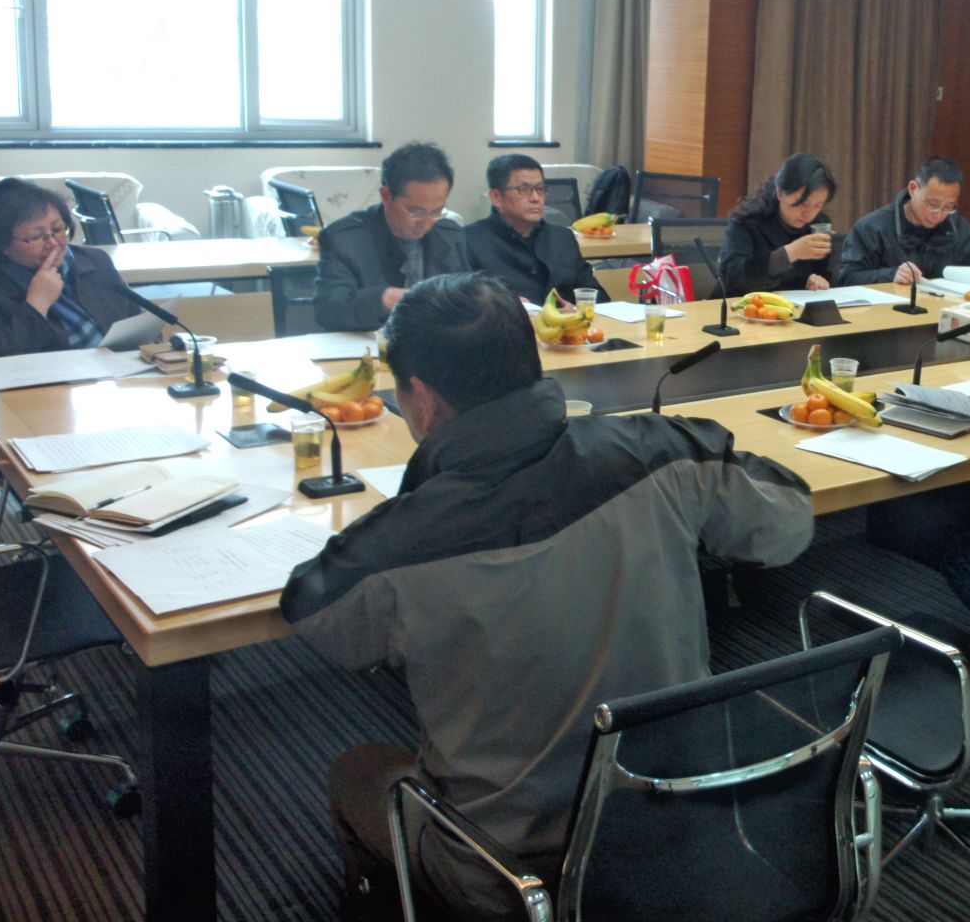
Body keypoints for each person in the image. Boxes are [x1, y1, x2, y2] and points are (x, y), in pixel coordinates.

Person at [280, 273, 813, 921]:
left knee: (359, 770)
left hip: (508, 870)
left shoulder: (398, 544)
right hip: (678, 813)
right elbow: (787, 523)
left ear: (422, 398)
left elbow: (317, 618)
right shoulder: (662, 453)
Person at [0, 177, 142, 364]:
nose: (53, 243)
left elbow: (135, 324)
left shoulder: (93, 261)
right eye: (36, 237)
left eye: (58, 230)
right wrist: (37, 304)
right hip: (47, 384)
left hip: (117, 375)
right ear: (2, 244)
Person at [314, 143, 470, 331]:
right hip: (372, 343)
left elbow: (465, 299)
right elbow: (329, 311)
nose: (426, 223)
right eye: (415, 212)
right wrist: (384, 299)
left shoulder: (450, 235)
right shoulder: (344, 239)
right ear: (386, 196)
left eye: (437, 212)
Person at [836, 155, 970, 287]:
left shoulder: (955, 225)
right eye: (933, 205)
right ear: (913, 189)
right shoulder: (872, 227)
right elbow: (847, 278)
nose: (939, 215)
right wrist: (891, 274)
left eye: (948, 207)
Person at [465, 154, 604, 305]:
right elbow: (462, 306)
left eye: (540, 189)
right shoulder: (468, 241)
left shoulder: (563, 237)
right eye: (524, 189)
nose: (536, 198)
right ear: (496, 197)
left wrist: (576, 309)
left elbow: (598, 297)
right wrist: (503, 307)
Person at [718, 154, 839, 293]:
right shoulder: (748, 221)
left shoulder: (819, 224)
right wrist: (790, 253)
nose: (808, 213)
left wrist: (817, 281)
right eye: (802, 203)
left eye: (818, 205)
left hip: (795, 304)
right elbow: (733, 278)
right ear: (780, 192)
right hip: (744, 303)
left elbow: (826, 273)